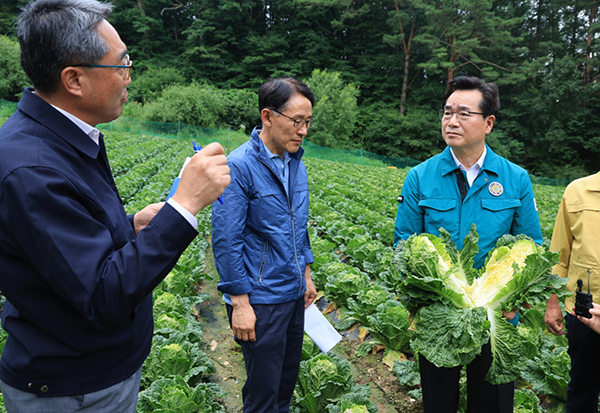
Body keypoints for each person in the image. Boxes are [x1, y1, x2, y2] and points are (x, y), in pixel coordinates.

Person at [0, 0, 230, 412]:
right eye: (121, 64)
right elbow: (102, 294)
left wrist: (131, 225)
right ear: (74, 80)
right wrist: (184, 205)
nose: (129, 77)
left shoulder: (62, 138)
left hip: (98, 369)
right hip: (73, 389)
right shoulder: (31, 167)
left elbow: (61, 252)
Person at [394, 76, 542, 413]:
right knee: (438, 404)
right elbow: (404, 245)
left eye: (464, 113)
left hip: (495, 318)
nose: (452, 121)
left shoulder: (515, 178)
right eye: (447, 113)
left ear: (488, 122)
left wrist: (512, 301)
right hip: (439, 318)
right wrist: (425, 303)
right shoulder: (420, 176)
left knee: (493, 404)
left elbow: (531, 247)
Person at [211, 77, 318, 413]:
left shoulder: (295, 161)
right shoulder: (239, 165)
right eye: (296, 121)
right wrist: (240, 302)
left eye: (308, 122)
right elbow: (226, 240)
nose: (303, 131)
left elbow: (298, 225)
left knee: (285, 383)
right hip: (260, 298)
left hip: (291, 292)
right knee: (263, 391)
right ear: (268, 116)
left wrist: (307, 273)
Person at [545, 171, 600, 412]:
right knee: (582, 385)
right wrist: (552, 303)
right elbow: (559, 256)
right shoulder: (577, 190)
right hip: (584, 313)